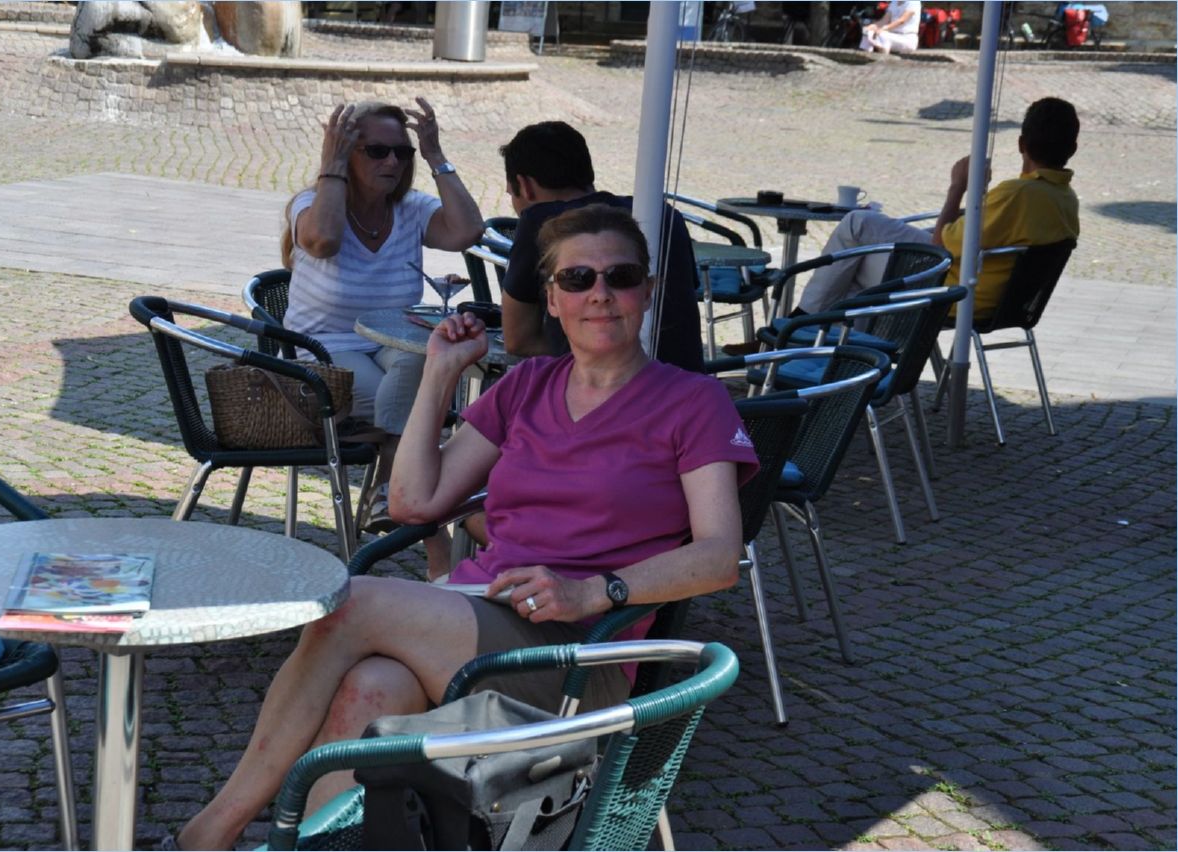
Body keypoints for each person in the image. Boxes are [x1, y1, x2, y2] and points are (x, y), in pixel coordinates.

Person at [172, 204, 759, 850]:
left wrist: (593, 591)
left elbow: (719, 556)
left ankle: (210, 833)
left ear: (646, 291)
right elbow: (414, 503)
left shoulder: (692, 402)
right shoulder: (527, 385)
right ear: (552, 300)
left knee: (350, 603)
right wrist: (439, 373)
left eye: (619, 277)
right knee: (370, 690)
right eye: (577, 279)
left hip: (578, 657)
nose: (599, 294)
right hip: (480, 613)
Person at [280, 97, 483, 536]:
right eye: (376, 151)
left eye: (401, 152)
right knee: (419, 409)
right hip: (323, 351)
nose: (392, 161)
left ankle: (391, 493)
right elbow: (324, 241)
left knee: (418, 361)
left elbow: (467, 231)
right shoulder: (310, 205)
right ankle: (413, 518)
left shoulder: (410, 209)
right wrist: (331, 165)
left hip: (391, 343)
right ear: (346, 152)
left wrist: (435, 155)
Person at [797, 97, 1080, 319]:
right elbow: (989, 232)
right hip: (1003, 300)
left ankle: (800, 321)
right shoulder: (1066, 199)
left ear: (1021, 144)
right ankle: (827, 344)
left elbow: (940, 245)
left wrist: (958, 187)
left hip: (955, 292)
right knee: (855, 266)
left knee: (857, 225)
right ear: (1073, 148)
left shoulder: (1017, 194)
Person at [497, 121, 705, 373]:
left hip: (607, 383)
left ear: (525, 186)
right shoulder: (664, 214)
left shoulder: (540, 222)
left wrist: (579, 342)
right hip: (685, 375)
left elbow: (518, 339)